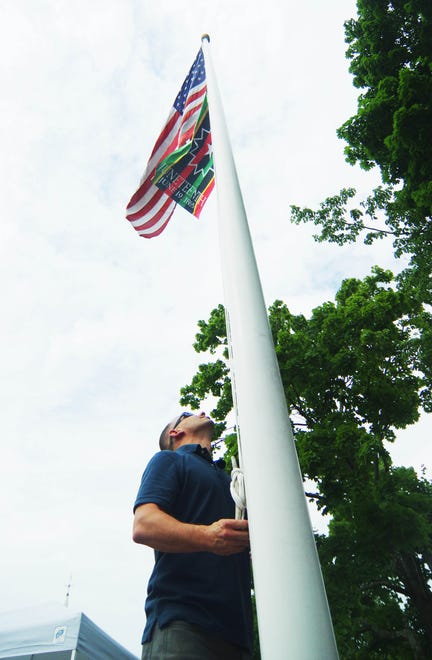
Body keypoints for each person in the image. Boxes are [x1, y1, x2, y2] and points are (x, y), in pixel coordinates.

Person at [133, 411, 253, 659]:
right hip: (183, 624)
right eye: (187, 414)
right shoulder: (169, 460)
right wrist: (210, 536)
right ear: (175, 433)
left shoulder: (231, 481)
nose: (200, 412)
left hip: (238, 636)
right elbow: (144, 524)